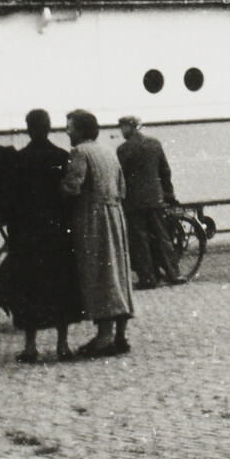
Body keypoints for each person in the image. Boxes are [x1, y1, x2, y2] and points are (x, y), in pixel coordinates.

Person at [0, 109, 82, 363]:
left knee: (29, 289)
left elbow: (10, 201)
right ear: (48, 128)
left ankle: (30, 346)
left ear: (28, 128)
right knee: (61, 287)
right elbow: (69, 199)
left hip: (27, 237)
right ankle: (62, 345)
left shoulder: (18, 160)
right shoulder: (61, 156)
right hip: (57, 234)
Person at [61, 110, 135, 356]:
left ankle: (104, 337)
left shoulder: (80, 152)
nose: (67, 130)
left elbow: (73, 187)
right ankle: (120, 334)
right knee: (118, 272)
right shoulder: (108, 152)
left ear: (81, 130)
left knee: (99, 272)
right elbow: (123, 188)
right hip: (115, 215)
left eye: (70, 126)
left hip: (92, 218)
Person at [116, 115, 181, 289]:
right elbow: (165, 171)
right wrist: (169, 194)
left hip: (134, 202)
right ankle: (174, 274)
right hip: (155, 199)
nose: (121, 131)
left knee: (140, 241)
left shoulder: (123, 149)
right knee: (162, 237)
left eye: (123, 127)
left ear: (131, 127)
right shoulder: (154, 144)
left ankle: (148, 278)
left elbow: (120, 177)